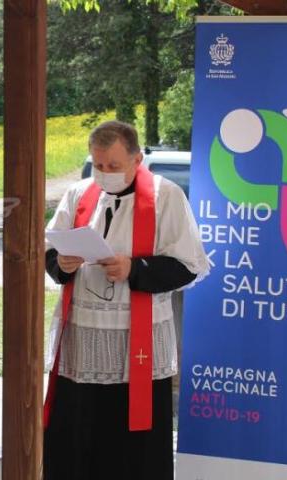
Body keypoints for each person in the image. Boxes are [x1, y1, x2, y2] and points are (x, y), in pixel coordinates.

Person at [42, 121, 208, 479]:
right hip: (83, 344)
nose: (104, 174)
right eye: (98, 165)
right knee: (76, 437)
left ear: (137, 159)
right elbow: (51, 252)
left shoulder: (166, 198)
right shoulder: (79, 194)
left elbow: (188, 267)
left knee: (132, 450)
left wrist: (134, 268)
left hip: (138, 345)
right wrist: (63, 263)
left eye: (113, 166)